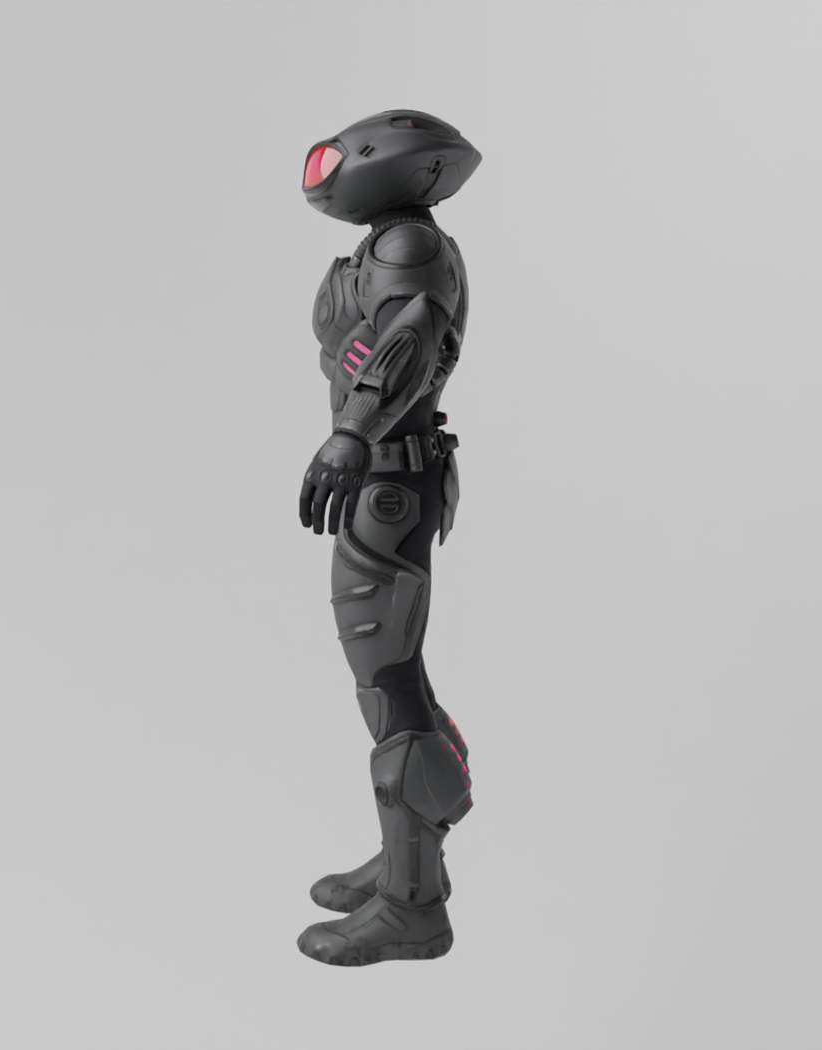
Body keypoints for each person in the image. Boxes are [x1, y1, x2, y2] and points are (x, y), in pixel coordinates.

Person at [295, 110, 481, 965]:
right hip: (387, 477)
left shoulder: (408, 246)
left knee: (389, 683)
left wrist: (351, 434)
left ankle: (414, 907)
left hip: (388, 480)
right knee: (393, 680)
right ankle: (408, 860)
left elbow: (408, 340)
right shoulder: (389, 244)